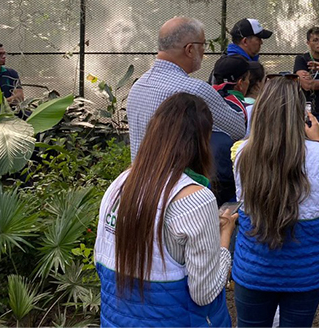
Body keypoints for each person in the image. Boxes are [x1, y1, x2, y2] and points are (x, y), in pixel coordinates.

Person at [94, 93, 236, 327]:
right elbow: (205, 292)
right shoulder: (196, 199)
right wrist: (224, 239)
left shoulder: (119, 184)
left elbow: (102, 260)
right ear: (202, 140)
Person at [232, 73, 319, 328]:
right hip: (307, 269)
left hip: (254, 268)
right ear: (300, 114)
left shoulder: (239, 151)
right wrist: (318, 141)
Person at [127, 17, 246, 161]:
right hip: (179, 182)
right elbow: (237, 129)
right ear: (190, 49)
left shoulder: (138, 87)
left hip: (138, 180)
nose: (204, 51)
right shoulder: (195, 91)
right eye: (203, 44)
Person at [209, 55, 258, 206]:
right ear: (240, 83)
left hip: (205, 170)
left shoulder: (206, 97)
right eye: (248, 79)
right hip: (228, 174)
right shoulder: (241, 106)